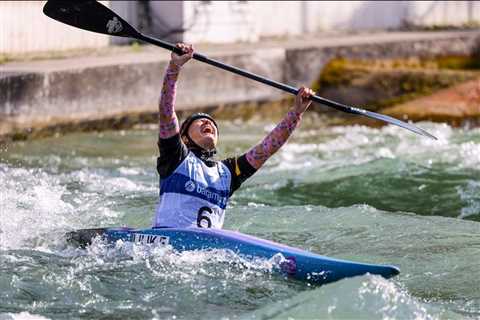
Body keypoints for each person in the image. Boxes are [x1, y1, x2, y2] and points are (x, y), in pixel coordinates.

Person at [155, 43, 314, 229]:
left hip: (203, 254)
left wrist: (296, 112)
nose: (208, 124)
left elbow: (266, 150)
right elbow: (166, 112)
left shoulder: (227, 173)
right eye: (199, 121)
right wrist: (174, 67)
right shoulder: (175, 156)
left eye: (213, 124)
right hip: (166, 244)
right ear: (184, 138)